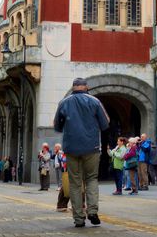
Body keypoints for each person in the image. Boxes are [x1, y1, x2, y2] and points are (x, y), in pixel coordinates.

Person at [54, 77, 109, 228]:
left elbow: (57, 126)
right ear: (86, 87)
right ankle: (92, 211)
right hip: (91, 147)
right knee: (91, 178)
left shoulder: (64, 102)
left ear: (73, 88)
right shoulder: (95, 101)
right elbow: (105, 123)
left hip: (71, 148)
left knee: (75, 183)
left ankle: (78, 218)